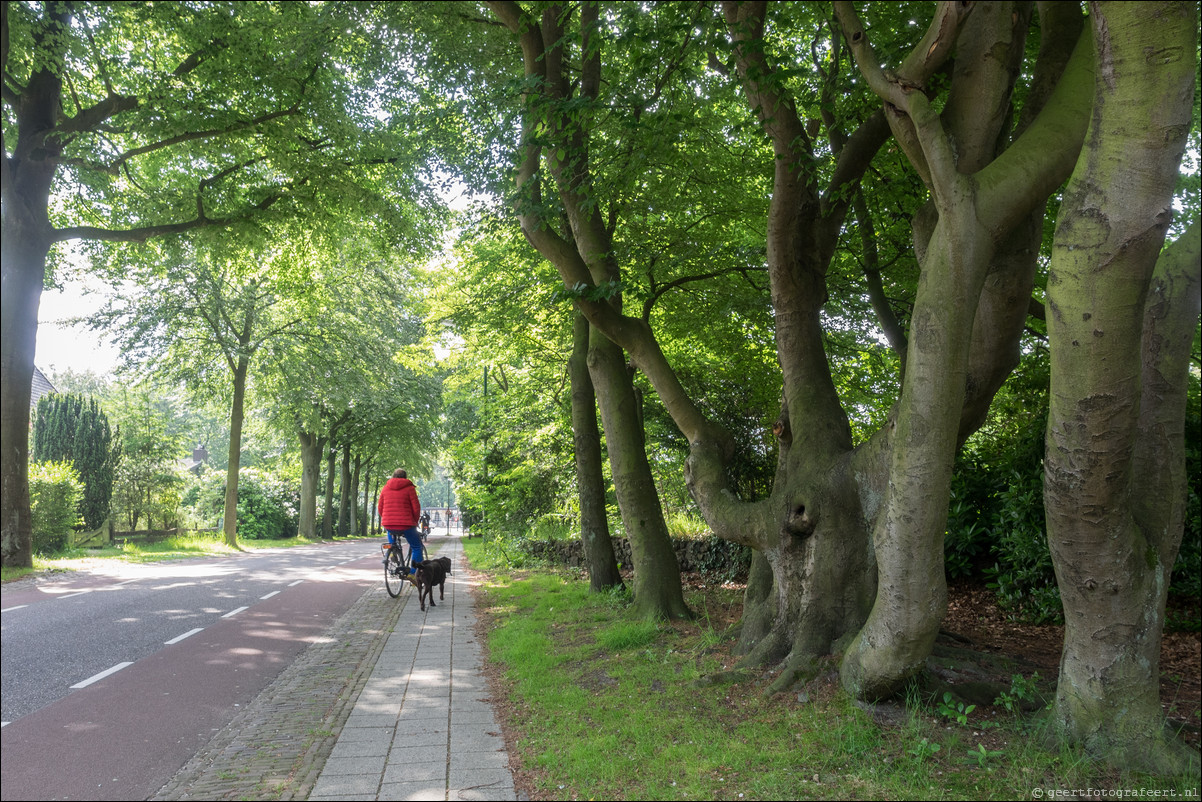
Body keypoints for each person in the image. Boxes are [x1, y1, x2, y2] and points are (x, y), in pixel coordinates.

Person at [378, 468, 422, 582]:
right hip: (406, 524)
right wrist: (415, 521)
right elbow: (416, 508)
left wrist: (386, 518)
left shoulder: (385, 488)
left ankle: (393, 550)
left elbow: (380, 507)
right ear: (405, 477)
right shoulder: (410, 488)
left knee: (390, 530)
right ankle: (413, 574)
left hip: (389, 523)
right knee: (417, 547)